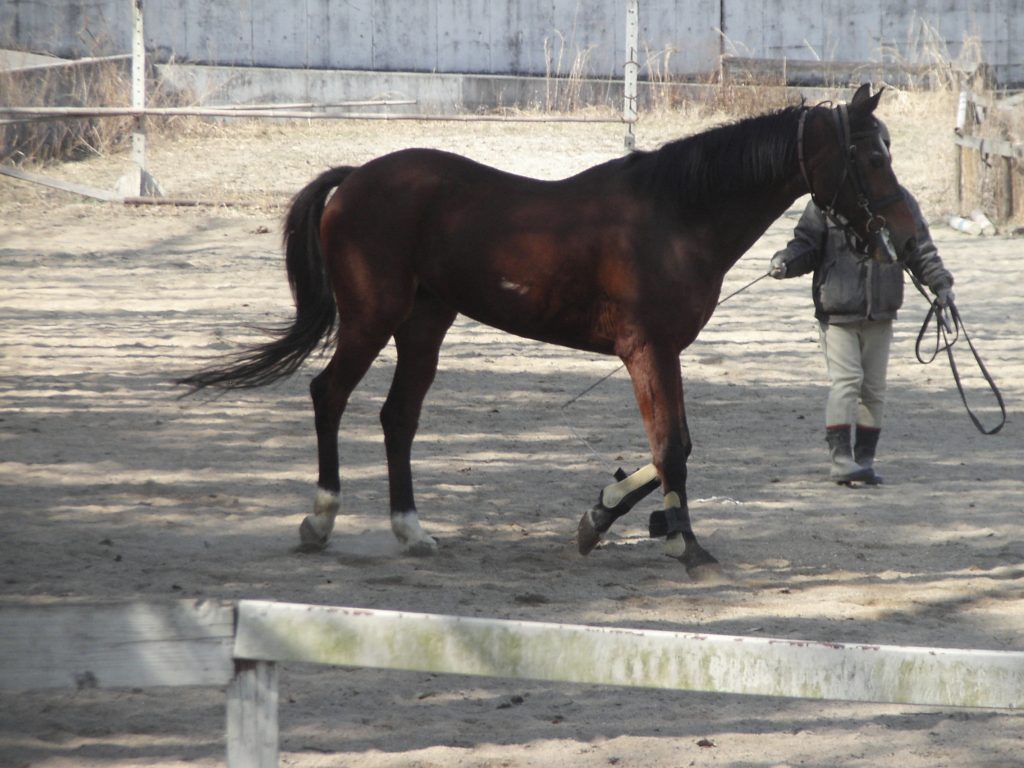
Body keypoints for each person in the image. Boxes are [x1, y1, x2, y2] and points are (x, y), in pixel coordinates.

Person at [768, 123, 954, 485]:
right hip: (838, 312)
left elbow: (919, 248)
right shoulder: (825, 202)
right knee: (847, 381)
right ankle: (841, 460)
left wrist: (941, 284)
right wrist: (786, 262)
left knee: (874, 390)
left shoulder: (899, 201)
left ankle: (864, 460)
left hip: (881, 311)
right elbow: (806, 244)